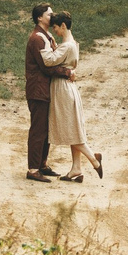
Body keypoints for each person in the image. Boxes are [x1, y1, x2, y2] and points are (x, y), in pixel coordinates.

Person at [42, 12, 102, 181]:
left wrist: (48, 45)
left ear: (63, 25)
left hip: (62, 89)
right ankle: (76, 168)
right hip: (69, 87)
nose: (54, 31)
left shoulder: (66, 45)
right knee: (73, 127)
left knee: (69, 129)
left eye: (55, 28)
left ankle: (93, 159)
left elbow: (48, 60)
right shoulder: (72, 43)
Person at [22, 2, 64, 181]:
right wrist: (67, 72)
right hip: (38, 90)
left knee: (46, 129)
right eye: (49, 14)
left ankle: (41, 164)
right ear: (40, 18)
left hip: (44, 90)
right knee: (38, 129)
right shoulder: (37, 38)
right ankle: (33, 169)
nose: (52, 17)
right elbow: (47, 66)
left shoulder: (44, 36)